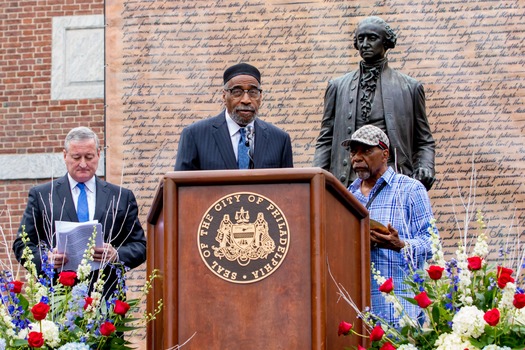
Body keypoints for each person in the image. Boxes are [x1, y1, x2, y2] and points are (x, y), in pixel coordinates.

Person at [13, 126, 147, 297]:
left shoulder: (121, 196)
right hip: (57, 298)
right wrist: (46, 259)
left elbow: (140, 246)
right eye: (76, 157)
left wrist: (116, 255)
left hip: (106, 297)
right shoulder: (42, 195)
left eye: (89, 157)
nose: (83, 163)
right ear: (64, 155)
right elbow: (21, 245)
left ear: (99, 154)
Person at [313, 16, 436, 190]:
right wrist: (315, 177)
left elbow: (424, 141)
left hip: (394, 181)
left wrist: (425, 167)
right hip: (347, 181)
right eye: (360, 39)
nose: (365, 44)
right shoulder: (337, 86)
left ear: (386, 43)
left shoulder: (410, 87)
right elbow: (325, 139)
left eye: (372, 38)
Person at [343, 124, 435, 325]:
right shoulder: (346, 196)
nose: (357, 158)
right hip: (357, 313)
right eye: (353, 152)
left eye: (366, 151)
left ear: (384, 154)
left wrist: (400, 245)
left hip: (400, 311)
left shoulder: (411, 189)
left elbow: (432, 245)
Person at [174, 62, 293, 170]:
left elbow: (289, 189)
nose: (246, 100)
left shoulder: (279, 140)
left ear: (260, 97)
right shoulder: (195, 136)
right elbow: (181, 189)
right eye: (237, 92)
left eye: (253, 92)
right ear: (224, 96)